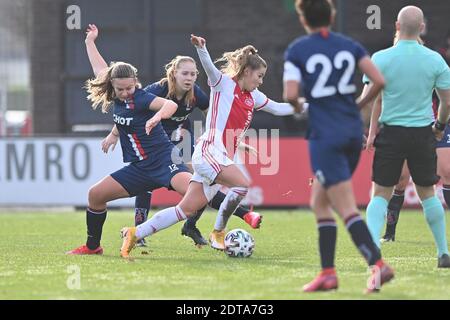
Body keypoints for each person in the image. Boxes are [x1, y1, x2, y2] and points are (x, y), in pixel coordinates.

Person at [119, 33, 297, 258]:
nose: (261, 81)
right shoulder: (223, 84)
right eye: (259, 76)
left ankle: (134, 233)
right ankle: (218, 232)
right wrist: (201, 49)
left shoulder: (254, 97)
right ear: (246, 72)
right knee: (242, 184)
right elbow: (210, 68)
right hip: (209, 151)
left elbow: (281, 108)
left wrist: (314, 105)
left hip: (220, 156)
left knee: (184, 210)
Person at [284, 0, 392, 293]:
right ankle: (328, 273)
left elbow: (291, 93)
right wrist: (358, 104)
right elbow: (379, 80)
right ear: (332, 16)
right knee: (319, 201)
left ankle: (378, 265)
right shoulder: (350, 45)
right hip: (350, 133)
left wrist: (299, 107)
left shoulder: (297, 50)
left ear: (303, 18)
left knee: (344, 207)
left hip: (325, 136)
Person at [103, 55, 263, 248]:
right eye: (185, 73)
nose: (189, 78)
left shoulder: (195, 93)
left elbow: (214, 115)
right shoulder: (157, 90)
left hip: (181, 141)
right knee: (147, 182)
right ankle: (139, 229)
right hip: (156, 144)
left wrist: (218, 139)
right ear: (174, 73)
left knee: (204, 179)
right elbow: (131, 108)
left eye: (193, 74)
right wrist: (114, 134)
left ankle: (191, 225)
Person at [67, 24, 194, 255]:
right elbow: (99, 68)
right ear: (112, 87)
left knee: (196, 194)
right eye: (121, 89)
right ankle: (93, 247)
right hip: (139, 169)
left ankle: (225, 226)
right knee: (95, 195)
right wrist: (89, 42)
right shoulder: (115, 91)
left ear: (135, 81)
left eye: (129, 87)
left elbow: (171, 104)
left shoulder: (143, 97)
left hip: (164, 161)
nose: (126, 92)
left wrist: (157, 116)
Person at [363, 6, 450, 268]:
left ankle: (374, 250)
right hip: (423, 133)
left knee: (380, 194)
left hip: (391, 132)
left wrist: (371, 130)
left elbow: (369, 101)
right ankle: (443, 252)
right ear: (422, 27)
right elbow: (446, 101)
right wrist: (439, 125)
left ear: (397, 26)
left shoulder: (380, 58)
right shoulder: (435, 60)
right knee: (427, 194)